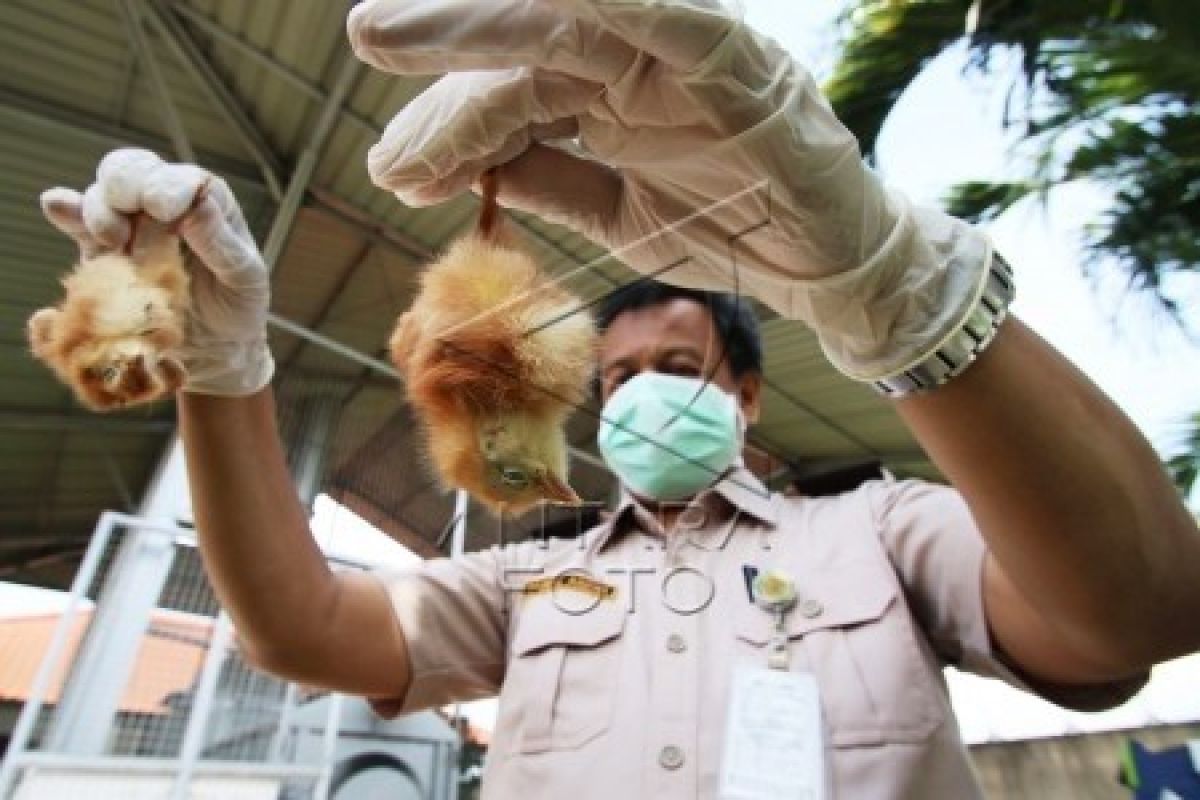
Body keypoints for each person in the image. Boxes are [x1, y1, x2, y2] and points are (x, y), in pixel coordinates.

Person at [38, 1, 1200, 797]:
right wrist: (228, 375)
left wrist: (896, 290)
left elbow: (1136, 614)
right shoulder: (531, 575)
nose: (645, 395)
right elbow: (300, 625)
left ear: (746, 396)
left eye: (680, 369)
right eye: (621, 378)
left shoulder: (880, 529)